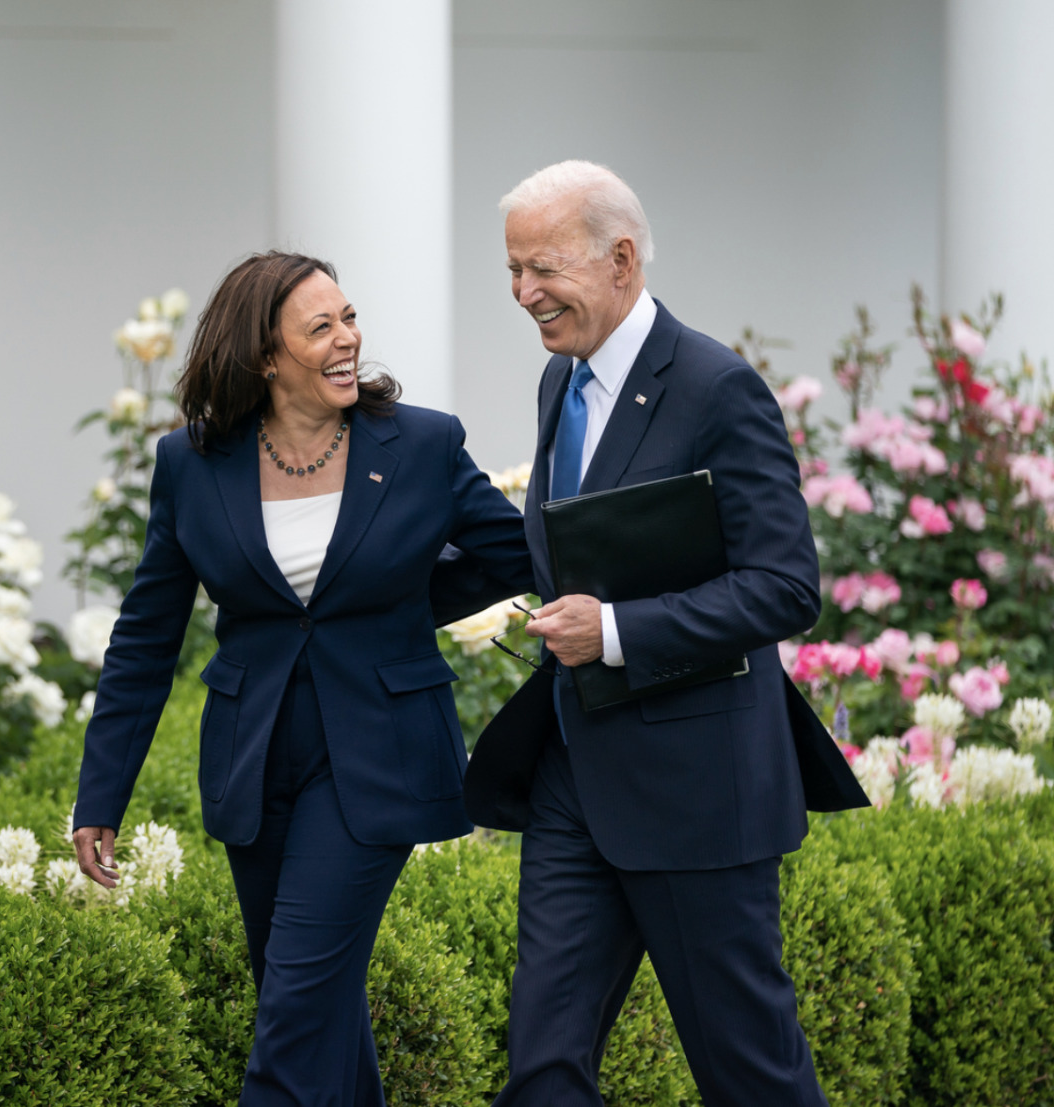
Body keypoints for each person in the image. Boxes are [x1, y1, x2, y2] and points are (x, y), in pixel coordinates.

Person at [71, 250, 533, 1106]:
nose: (348, 338)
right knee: (315, 1007)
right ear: (263, 355)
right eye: (321, 327)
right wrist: (100, 794)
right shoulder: (192, 462)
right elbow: (145, 636)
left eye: (349, 318)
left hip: (377, 756)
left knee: (290, 1017)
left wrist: (403, 605)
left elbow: (513, 553)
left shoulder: (422, 443)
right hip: (256, 760)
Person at [456, 161, 868, 1106]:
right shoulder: (559, 381)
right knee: (544, 1068)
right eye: (512, 270)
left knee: (749, 1075)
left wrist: (615, 631)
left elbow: (783, 587)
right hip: (574, 779)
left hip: (699, 787)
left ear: (622, 260)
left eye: (543, 269)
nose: (524, 293)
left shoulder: (719, 387)